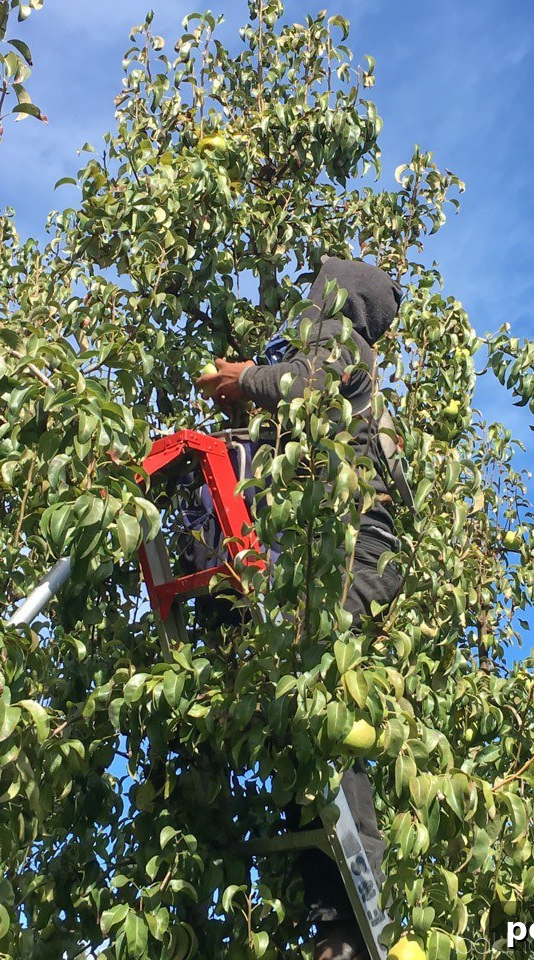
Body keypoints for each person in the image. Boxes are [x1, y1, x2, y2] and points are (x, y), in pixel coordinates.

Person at [196, 257, 405, 960]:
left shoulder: (343, 342)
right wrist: (245, 393)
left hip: (361, 548)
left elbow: (304, 387)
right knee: (303, 721)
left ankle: (357, 908)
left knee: (317, 690)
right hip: (343, 540)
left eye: (319, 289)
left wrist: (243, 380)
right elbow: (292, 396)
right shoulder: (328, 350)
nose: (308, 300)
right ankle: (332, 920)